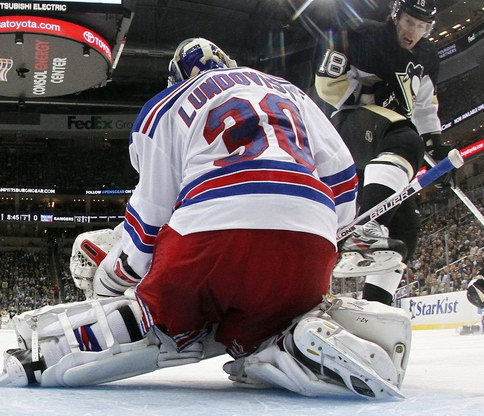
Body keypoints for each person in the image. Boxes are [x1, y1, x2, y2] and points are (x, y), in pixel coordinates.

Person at [0, 39, 413, 399]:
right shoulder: (292, 92)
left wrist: (115, 280)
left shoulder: (167, 103)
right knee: (254, 341)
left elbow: (151, 215)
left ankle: (42, 355)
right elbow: (343, 183)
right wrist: (322, 239)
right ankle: (291, 346)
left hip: (210, 238)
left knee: (161, 322)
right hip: (307, 243)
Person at [315, 0, 451, 305]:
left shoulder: (428, 56)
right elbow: (325, 84)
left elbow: (424, 105)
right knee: (407, 139)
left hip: (383, 148)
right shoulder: (366, 38)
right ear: (396, 15)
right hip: (351, 128)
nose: (413, 31)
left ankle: (376, 307)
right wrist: (362, 89)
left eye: (421, 25)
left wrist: (437, 146)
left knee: (407, 227)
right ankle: (368, 227)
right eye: (408, 21)